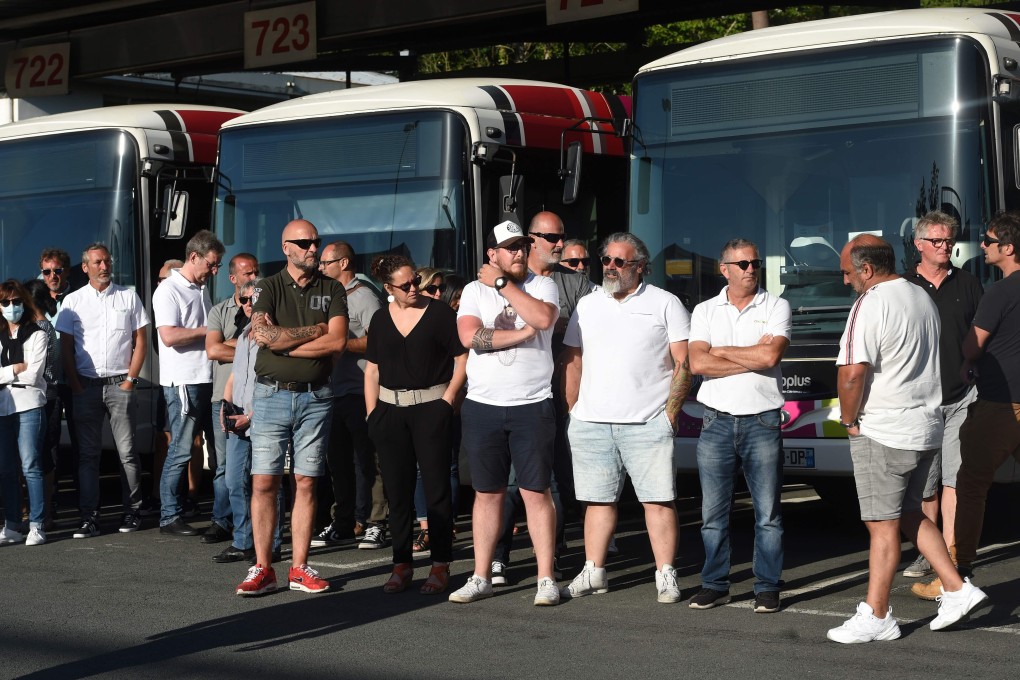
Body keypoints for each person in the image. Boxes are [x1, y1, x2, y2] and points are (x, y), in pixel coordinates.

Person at [827, 234, 988, 644]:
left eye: (847, 273)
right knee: (912, 514)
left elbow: (851, 373)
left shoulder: (871, 302)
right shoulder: (920, 298)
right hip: (925, 426)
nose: (846, 281)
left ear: (866, 269)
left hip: (884, 429)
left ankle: (877, 614)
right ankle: (957, 587)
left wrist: (848, 420)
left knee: (881, 526)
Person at [559, 232, 692, 603]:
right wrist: (572, 411)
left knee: (658, 500)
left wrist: (669, 414)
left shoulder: (665, 303)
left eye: (621, 261)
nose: (611, 267)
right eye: (607, 260)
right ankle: (593, 570)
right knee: (597, 502)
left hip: (648, 421)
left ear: (640, 266)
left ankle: (665, 573)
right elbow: (573, 359)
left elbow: (683, 363)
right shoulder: (588, 305)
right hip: (591, 421)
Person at [448, 220, 561, 607]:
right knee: (487, 494)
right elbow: (469, 337)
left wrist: (501, 284)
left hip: (532, 403)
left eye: (521, 245)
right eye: (509, 247)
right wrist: (523, 334)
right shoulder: (471, 290)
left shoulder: (541, 284)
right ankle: (481, 575)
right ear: (491, 255)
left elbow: (544, 319)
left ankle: (546, 577)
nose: (518, 252)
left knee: (535, 492)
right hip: (483, 405)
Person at [235, 219, 347, 597]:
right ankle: (263, 568)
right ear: (286, 247)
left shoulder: (331, 287)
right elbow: (262, 335)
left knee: (306, 481)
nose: (312, 248)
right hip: (271, 395)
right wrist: (315, 330)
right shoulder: (267, 286)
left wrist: (286, 342)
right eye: (303, 242)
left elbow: (337, 341)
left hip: (316, 397)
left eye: (316, 241)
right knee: (264, 481)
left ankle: (299, 568)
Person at [687, 238, 790, 614]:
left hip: (763, 420)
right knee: (712, 515)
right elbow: (697, 364)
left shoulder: (777, 304)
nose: (751, 269)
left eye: (755, 263)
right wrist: (751, 356)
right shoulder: (704, 310)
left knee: (768, 514)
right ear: (724, 268)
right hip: (715, 421)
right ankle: (715, 583)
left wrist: (721, 350)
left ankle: (767, 586)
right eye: (743, 264)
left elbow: (771, 355)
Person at [365, 255, 467, 594]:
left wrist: (448, 400)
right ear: (388, 287)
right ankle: (401, 565)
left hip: (431, 409)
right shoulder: (380, 319)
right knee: (397, 494)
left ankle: (440, 566)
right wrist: (372, 414)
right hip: (389, 413)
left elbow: (461, 357)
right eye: (405, 284)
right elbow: (373, 369)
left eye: (415, 281)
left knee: (436, 491)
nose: (414, 288)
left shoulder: (440, 314)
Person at [937, 212, 1020, 592]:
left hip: (1000, 404)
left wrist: (969, 363)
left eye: (988, 241)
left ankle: (958, 572)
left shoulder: (1000, 292)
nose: (981, 246)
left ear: (1008, 248)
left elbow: (973, 345)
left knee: (970, 484)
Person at [902, 211, 983, 589]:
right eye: (936, 241)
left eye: (949, 241)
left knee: (953, 479)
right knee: (925, 484)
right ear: (919, 245)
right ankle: (927, 549)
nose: (945, 246)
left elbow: (983, 334)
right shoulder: (903, 287)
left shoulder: (968, 283)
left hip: (960, 397)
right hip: (919, 401)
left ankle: (949, 553)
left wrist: (973, 364)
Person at [56, 243, 149, 538]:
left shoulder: (128, 296)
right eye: (97, 262)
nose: (104, 267)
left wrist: (131, 380)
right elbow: (66, 348)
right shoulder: (72, 301)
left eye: (107, 261)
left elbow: (141, 340)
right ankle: (89, 517)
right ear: (85, 267)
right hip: (87, 387)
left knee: (127, 453)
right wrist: (76, 384)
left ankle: (132, 511)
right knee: (87, 456)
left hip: (120, 383)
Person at [311, 241, 384, 548]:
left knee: (367, 460)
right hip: (332, 391)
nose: (319, 268)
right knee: (337, 462)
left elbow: (380, 340)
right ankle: (343, 521)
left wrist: (338, 343)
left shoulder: (364, 296)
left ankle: (376, 522)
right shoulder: (327, 298)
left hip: (359, 390)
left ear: (343, 264)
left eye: (324, 263)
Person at [152, 230, 222, 536]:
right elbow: (169, 336)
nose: (214, 270)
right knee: (180, 450)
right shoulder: (168, 291)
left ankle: (222, 515)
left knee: (218, 451)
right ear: (194, 257)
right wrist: (210, 331)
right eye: (211, 264)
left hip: (208, 378)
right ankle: (169, 515)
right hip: (184, 380)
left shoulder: (199, 287)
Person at [213, 279, 285, 564]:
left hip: (264, 416)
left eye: (255, 299)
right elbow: (234, 375)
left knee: (266, 482)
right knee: (233, 481)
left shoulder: (275, 335)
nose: (249, 305)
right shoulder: (243, 336)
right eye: (244, 300)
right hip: (238, 417)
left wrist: (251, 415)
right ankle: (244, 541)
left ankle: (272, 543)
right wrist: (224, 406)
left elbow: (275, 378)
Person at [204, 252, 261, 546]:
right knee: (226, 467)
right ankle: (221, 520)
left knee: (257, 471)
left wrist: (236, 346)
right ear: (232, 278)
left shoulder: (264, 309)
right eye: (247, 273)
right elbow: (212, 350)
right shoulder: (219, 311)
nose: (252, 278)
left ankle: (253, 532)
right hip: (224, 397)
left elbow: (263, 347)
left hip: (256, 398)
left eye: (255, 272)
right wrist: (243, 348)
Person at [410, 265, 460, 553]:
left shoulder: (451, 319)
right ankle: (427, 528)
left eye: (441, 288)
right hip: (418, 402)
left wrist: (454, 396)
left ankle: (448, 526)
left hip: (448, 399)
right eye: (432, 288)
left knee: (449, 465)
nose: (439, 293)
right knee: (420, 468)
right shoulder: (409, 318)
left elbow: (461, 361)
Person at [0, 280, 48, 546]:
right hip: (3, 408)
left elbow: (34, 375)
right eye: (5, 302)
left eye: (16, 301)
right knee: (6, 469)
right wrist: (14, 369)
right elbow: (23, 372)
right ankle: (12, 525)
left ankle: (37, 525)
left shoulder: (37, 334)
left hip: (30, 405)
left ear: (25, 303)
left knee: (30, 466)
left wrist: (7, 375)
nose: (11, 307)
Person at [23, 279, 60, 530]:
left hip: (40, 396)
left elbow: (33, 371)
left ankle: (40, 510)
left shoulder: (39, 328)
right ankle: (44, 509)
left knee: (37, 455)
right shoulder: (45, 325)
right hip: (50, 396)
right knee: (44, 454)